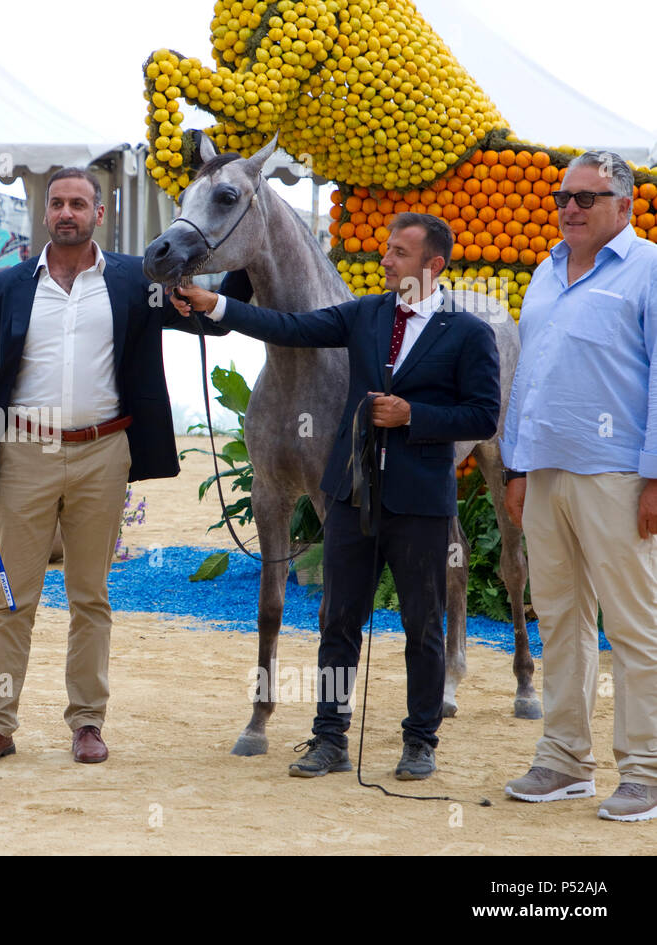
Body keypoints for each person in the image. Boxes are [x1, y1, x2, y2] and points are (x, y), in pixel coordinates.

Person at [173, 212, 500, 780]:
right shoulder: (367, 314)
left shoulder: (468, 332)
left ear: (433, 265)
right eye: (388, 249)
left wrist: (413, 415)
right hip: (354, 492)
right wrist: (215, 305)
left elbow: (484, 414)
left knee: (422, 625)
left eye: (399, 252)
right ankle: (329, 737)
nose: (385, 259)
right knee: (338, 622)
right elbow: (289, 328)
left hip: (421, 501)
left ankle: (420, 740)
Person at [0, 167, 228, 768]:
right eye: (57, 203)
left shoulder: (135, 278)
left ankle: (87, 723)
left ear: (98, 214)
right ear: (45, 213)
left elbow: (204, 308)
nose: (67, 213)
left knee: (90, 597)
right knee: (11, 596)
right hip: (24, 450)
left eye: (79, 203)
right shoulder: (5, 286)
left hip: (106, 452)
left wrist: (239, 283)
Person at [501, 151, 657, 822]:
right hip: (545, 474)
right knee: (559, 618)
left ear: (625, 205)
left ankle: (646, 771)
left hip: (618, 476)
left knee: (634, 627)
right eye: (564, 196)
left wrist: (655, 477)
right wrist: (515, 467)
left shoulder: (648, 270)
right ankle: (564, 759)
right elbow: (531, 372)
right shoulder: (544, 270)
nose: (571, 207)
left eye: (587, 198)